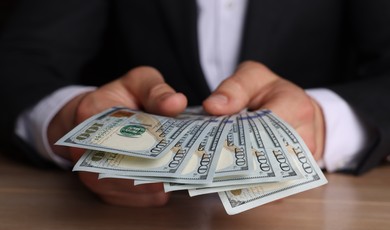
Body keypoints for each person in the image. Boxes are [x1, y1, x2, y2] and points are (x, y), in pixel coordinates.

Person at [1, 0, 389, 207]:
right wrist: (71, 119)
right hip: (126, 229)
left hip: (314, 217)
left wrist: (324, 123)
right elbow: (20, 60)